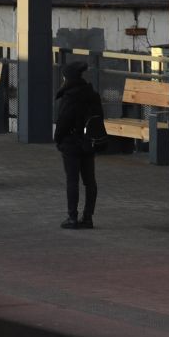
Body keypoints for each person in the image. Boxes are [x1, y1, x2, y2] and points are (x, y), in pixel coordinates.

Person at [52, 61, 104, 229]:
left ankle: (72, 217)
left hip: (71, 143)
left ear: (68, 78)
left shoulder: (70, 97)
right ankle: (88, 217)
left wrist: (58, 140)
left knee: (72, 181)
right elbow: (99, 118)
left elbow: (63, 123)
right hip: (89, 142)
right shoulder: (92, 95)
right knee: (90, 181)